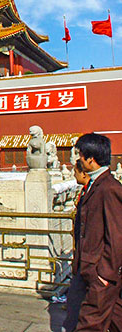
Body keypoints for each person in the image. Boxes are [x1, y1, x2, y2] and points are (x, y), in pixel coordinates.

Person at [71, 133, 122, 332]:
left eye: (81, 156)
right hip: (92, 270)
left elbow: (117, 236)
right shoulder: (94, 185)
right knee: (116, 319)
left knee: (89, 324)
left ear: (91, 159)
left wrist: (105, 274)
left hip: (101, 274)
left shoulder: (109, 188)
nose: (79, 160)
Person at [62, 160, 90, 332]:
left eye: (76, 171)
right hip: (82, 256)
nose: (73, 174)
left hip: (92, 260)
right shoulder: (86, 191)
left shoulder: (104, 190)